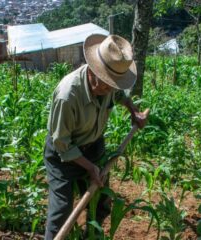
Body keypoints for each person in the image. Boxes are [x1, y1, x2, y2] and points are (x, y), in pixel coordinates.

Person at [44, 34, 147, 240]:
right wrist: (91, 168)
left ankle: (89, 236)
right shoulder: (68, 95)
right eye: (107, 83)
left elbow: (119, 96)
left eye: (114, 84)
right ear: (93, 70)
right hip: (63, 155)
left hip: (93, 147)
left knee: (101, 204)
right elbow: (62, 143)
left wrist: (133, 110)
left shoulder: (109, 86)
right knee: (62, 212)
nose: (109, 89)